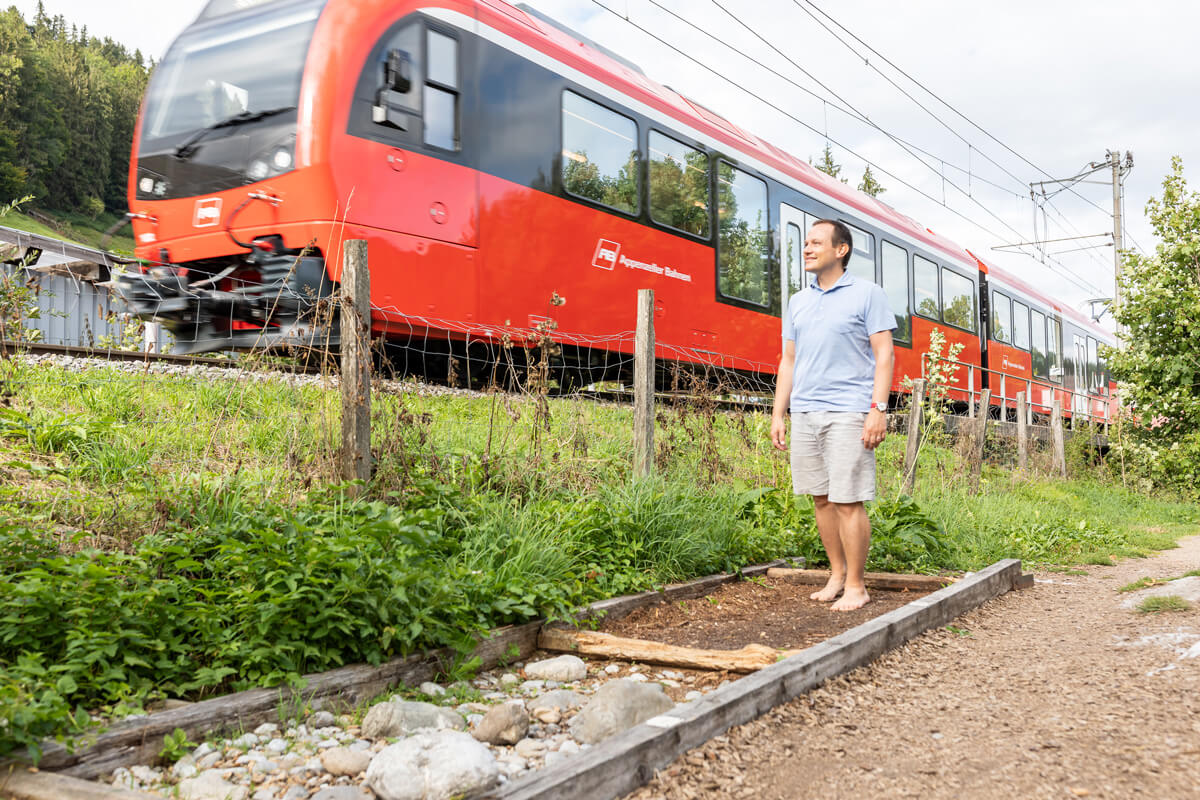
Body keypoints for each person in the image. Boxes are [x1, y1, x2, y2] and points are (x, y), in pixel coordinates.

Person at [770, 219, 895, 611]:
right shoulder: (797, 301)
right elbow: (788, 360)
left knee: (848, 500)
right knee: (821, 500)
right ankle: (837, 574)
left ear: (840, 250)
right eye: (805, 242)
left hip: (849, 411)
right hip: (806, 411)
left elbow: (885, 354)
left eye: (816, 242)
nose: (806, 248)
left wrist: (878, 409)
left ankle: (857, 586)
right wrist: (779, 413)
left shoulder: (867, 294)